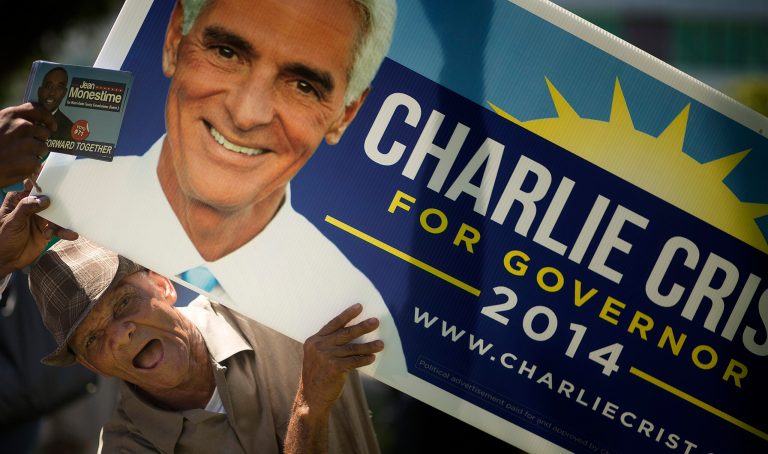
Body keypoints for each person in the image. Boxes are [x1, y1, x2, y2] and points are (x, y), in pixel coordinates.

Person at [36, 0, 405, 380]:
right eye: (227, 52)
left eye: (303, 85)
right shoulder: (60, 203)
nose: (247, 114)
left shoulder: (354, 313)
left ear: (345, 114)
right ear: (174, 38)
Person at [29, 237, 384, 453]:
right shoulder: (129, 448)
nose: (120, 335)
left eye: (123, 303)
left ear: (163, 284)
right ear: (92, 366)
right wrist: (308, 408)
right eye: (93, 338)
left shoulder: (276, 310)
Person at [37, 67, 74, 141]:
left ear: (64, 93)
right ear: (40, 91)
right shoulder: (23, 117)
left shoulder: (69, 129)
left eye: (59, 88)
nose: (52, 93)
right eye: (48, 86)